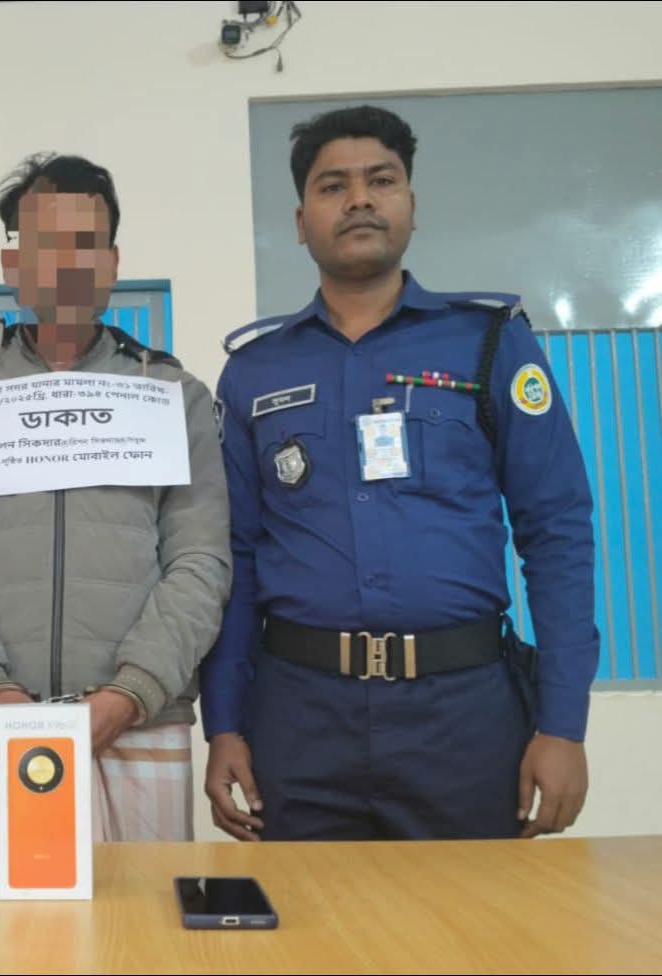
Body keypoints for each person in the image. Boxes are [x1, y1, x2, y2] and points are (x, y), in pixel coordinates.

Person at [201, 105, 597, 842]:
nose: (359, 199)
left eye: (380, 181)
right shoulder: (255, 372)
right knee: (305, 916)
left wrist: (563, 723)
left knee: (469, 915)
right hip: (299, 720)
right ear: (301, 222)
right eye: (333, 186)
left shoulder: (489, 344)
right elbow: (236, 558)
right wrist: (223, 723)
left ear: (411, 204)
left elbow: (557, 532)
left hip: (464, 718)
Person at [0, 152, 232, 842]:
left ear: (112, 263)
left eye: (86, 244)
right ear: (13, 265)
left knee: (143, 912)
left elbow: (201, 560)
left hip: (143, 722)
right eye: (47, 245)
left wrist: (131, 692)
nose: (68, 263)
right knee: (9, 913)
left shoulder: (172, 397)